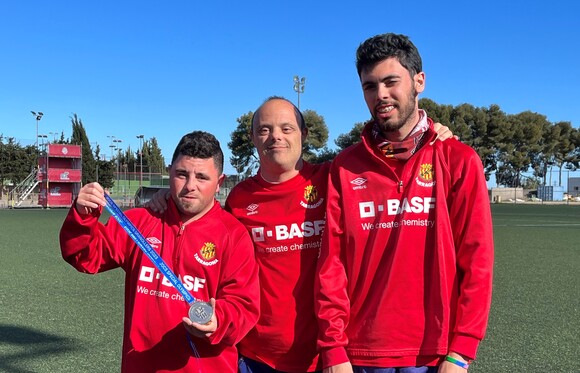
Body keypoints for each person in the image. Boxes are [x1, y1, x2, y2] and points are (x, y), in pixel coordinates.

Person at [146, 98, 454, 373]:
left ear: (304, 134)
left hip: (326, 355)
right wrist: (167, 195)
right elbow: (205, 220)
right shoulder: (239, 199)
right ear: (253, 138)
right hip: (256, 357)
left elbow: (386, 165)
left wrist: (430, 134)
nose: (275, 136)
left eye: (286, 128)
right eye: (264, 129)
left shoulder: (334, 178)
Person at [314, 33, 494, 373]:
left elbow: (478, 262)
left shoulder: (458, 159)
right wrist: (333, 348)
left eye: (390, 81)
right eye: (369, 86)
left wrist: (461, 351)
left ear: (419, 81)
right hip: (360, 355)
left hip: (436, 355)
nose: (380, 95)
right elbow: (332, 265)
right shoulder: (345, 166)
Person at [59, 131, 260, 372]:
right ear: (169, 172)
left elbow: (245, 305)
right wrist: (83, 215)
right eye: (181, 174)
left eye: (202, 177)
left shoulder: (233, 234)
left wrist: (218, 320)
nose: (190, 186)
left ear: (219, 182)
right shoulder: (139, 221)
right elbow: (85, 257)